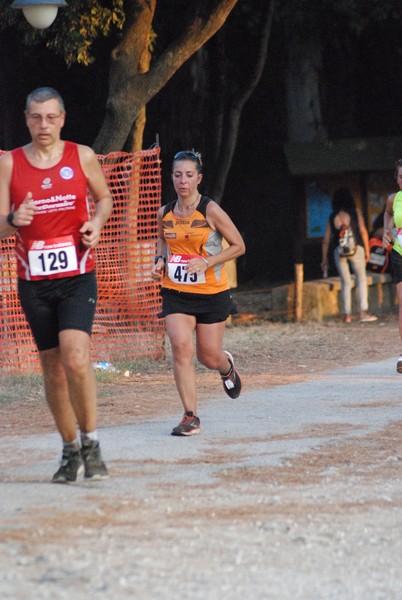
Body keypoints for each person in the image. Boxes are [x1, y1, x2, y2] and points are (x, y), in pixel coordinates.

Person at [0, 87, 113, 483]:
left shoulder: (81, 156)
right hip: (34, 282)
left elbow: (104, 199)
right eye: (36, 117)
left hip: (77, 274)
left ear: (62, 118)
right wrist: (14, 219)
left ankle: (92, 443)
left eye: (51, 117)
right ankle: (70, 450)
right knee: (52, 369)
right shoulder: (9, 164)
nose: (43, 125)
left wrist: (96, 225)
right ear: (26, 119)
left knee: (76, 357)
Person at [150, 150, 245, 436]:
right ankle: (190, 416)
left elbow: (239, 245)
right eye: (178, 175)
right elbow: (162, 245)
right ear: (172, 178)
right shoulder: (164, 212)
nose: (183, 181)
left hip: (211, 293)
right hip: (175, 292)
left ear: (199, 178)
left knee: (207, 356)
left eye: (189, 175)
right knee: (180, 348)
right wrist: (159, 262)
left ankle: (226, 366)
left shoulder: (210, 210)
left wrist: (208, 262)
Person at [321, 187, 377, 324]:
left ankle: (347, 315)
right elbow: (363, 231)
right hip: (356, 249)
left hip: (339, 252)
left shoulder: (332, 216)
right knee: (361, 279)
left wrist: (324, 260)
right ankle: (363, 312)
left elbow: (326, 240)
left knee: (345, 282)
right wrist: (368, 251)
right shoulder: (355, 212)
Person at [383, 158, 402, 372]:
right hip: (400, 253)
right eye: (401, 177)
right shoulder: (393, 200)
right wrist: (386, 233)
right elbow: (388, 215)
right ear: (397, 179)